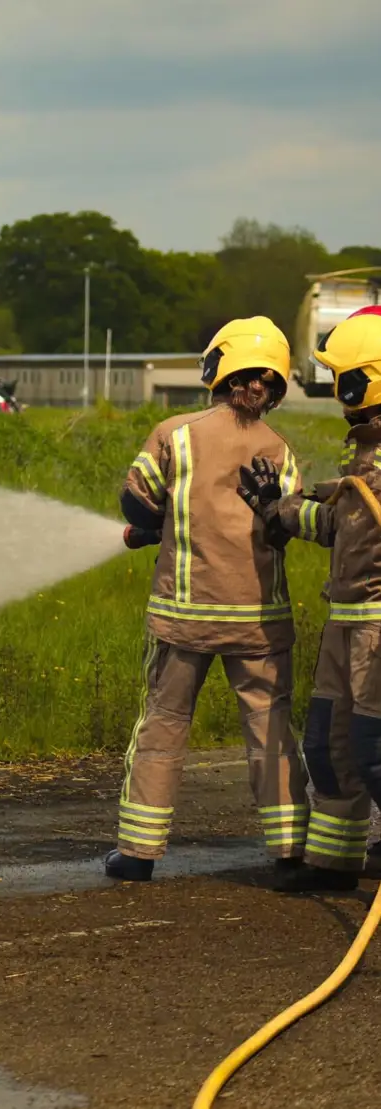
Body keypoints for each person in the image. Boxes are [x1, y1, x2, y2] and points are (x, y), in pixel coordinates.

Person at [105, 317, 310, 887]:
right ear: (274, 383)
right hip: (260, 625)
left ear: (216, 369)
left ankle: (139, 853)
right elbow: (287, 522)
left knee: (164, 725)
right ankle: (291, 849)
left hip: (183, 620)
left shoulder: (175, 433)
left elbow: (137, 505)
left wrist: (161, 523)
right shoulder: (281, 450)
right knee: (271, 728)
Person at [238, 306, 381, 892]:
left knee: (374, 751)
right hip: (344, 625)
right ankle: (334, 864)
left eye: (346, 380)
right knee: (328, 745)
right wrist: (283, 508)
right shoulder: (364, 460)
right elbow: (342, 524)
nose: (339, 394)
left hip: (378, 630)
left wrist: (291, 509)